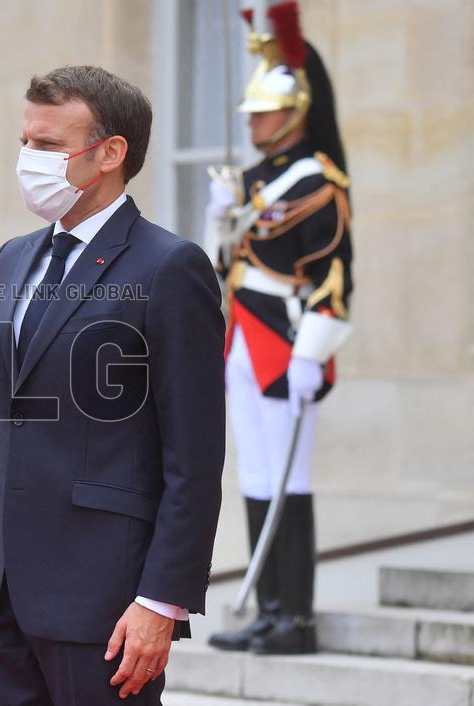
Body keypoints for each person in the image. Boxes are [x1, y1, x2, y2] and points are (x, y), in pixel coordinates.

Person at [0, 66, 225, 706]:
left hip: (103, 603)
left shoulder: (170, 266)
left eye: (47, 146)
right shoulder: (13, 258)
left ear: (110, 153)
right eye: (25, 142)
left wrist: (162, 599)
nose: (28, 160)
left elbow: (195, 455)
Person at [205, 1, 353, 656]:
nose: (256, 123)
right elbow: (224, 266)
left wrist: (312, 352)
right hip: (243, 332)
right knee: (258, 477)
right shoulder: (254, 179)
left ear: (295, 113)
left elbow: (334, 276)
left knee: (290, 479)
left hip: (288, 341)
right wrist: (219, 220)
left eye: (264, 112)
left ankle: (297, 616)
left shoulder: (318, 179)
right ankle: (269, 610)